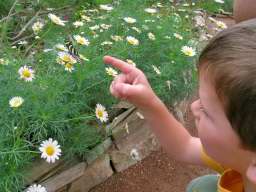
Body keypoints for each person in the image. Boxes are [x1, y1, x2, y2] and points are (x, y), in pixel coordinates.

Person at [103, 18, 256, 192]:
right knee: (201, 186)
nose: (193, 108)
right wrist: (148, 102)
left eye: (206, 111)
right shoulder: (240, 158)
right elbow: (184, 146)